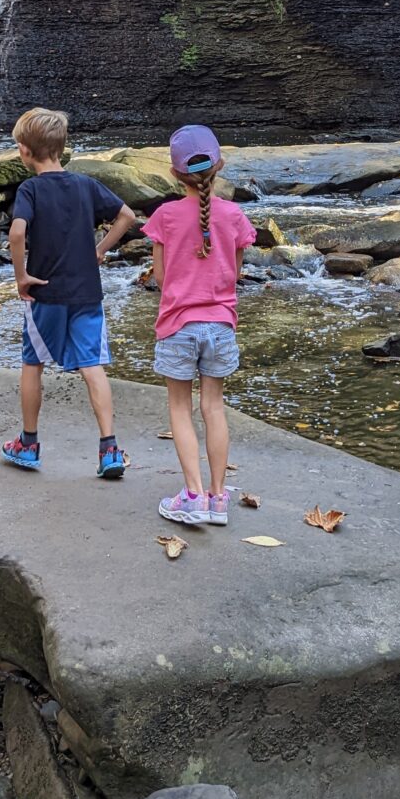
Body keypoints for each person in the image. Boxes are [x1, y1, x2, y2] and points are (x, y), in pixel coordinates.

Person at [1, 107, 136, 478]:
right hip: (86, 292)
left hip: (46, 292)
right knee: (92, 365)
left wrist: (21, 277)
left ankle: (28, 443)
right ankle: (109, 449)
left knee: (33, 363)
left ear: (25, 151)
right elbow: (127, 217)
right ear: (61, 148)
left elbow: (15, 234)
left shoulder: (29, 189)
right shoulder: (84, 185)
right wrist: (100, 250)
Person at [143, 125, 255, 526]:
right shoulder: (235, 215)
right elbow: (237, 272)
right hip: (221, 325)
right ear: (220, 166)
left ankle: (192, 496)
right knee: (214, 407)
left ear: (175, 174)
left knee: (180, 407)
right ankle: (218, 498)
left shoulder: (165, 216)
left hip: (178, 324)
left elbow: (159, 275)